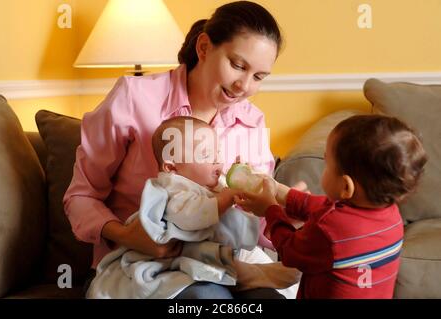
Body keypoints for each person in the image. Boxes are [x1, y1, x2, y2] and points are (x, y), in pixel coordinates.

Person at [64, 1, 304, 299]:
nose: (244, 85)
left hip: (222, 264)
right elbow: (81, 195)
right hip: (135, 268)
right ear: (204, 48)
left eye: (258, 77)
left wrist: (286, 219)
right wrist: (128, 235)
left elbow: (255, 219)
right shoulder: (136, 98)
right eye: (238, 65)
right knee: (206, 298)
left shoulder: (251, 121)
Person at [86, 116, 297, 299]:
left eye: (217, 152)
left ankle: (252, 276)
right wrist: (225, 199)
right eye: (206, 155)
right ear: (172, 168)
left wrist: (243, 181)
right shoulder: (172, 189)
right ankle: (247, 274)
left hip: (213, 255)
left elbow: (234, 207)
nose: (217, 159)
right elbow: (191, 216)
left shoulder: (210, 187)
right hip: (169, 259)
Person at [235, 114, 428, 298]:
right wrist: (279, 191)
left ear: (346, 186)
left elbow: (289, 251)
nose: (324, 168)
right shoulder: (390, 214)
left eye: (327, 163)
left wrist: (270, 210)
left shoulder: (330, 230)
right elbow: (320, 207)